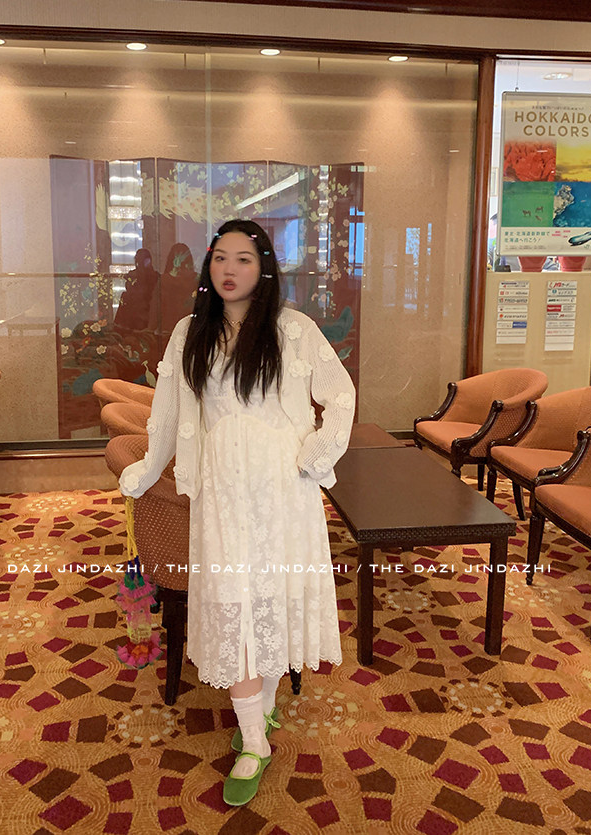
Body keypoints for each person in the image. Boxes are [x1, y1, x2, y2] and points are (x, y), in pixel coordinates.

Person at [119, 218, 355, 806]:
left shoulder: (294, 329)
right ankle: (255, 740)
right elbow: (168, 415)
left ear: (264, 267)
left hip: (283, 492)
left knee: (268, 600)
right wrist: (147, 469)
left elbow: (341, 394)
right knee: (235, 604)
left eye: (244, 258)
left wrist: (315, 455)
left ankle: (257, 720)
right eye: (220, 257)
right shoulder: (189, 333)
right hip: (222, 493)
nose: (229, 268)